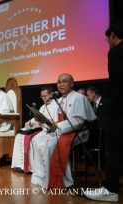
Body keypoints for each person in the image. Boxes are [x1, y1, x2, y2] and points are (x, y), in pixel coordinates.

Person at [30, 73, 96, 189]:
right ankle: (40, 175)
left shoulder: (79, 98)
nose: (60, 84)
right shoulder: (59, 100)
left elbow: (79, 121)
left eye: (64, 81)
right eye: (59, 82)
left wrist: (58, 126)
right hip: (62, 129)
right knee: (36, 139)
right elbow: (56, 120)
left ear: (72, 84)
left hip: (78, 131)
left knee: (49, 145)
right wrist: (48, 123)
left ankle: (61, 181)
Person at [84, 23, 123, 203]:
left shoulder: (116, 52)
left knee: (113, 149)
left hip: (117, 110)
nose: (107, 41)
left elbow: (118, 82)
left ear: (113, 35)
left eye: (107, 38)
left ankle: (111, 189)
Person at [11, 86, 58, 173]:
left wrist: (41, 123)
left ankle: (31, 167)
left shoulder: (56, 105)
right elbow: (38, 117)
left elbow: (55, 122)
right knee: (19, 136)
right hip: (40, 128)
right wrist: (31, 121)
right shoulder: (43, 106)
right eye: (42, 96)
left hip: (49, 131)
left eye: (45, 96)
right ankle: (19, 164)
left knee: (31, 139)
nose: (43, 98)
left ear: (51, 94)